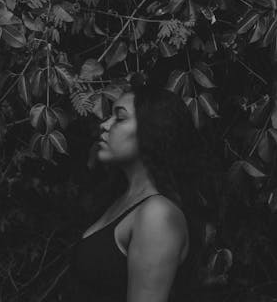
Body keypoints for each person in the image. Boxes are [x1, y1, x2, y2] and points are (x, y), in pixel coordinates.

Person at [69, 73, 201, 301]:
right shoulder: (121, 200)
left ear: (152, 131)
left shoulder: (158, 214)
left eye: (119, 119)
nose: (104, 125)